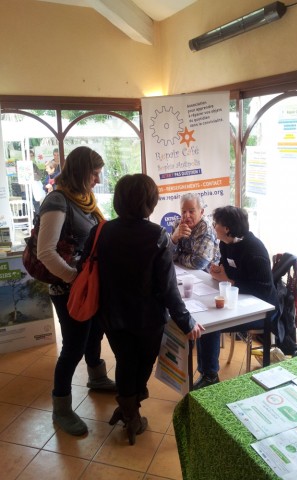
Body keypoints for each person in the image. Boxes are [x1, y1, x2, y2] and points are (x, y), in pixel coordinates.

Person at [81, 173, 204, 445]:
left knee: (125, 360)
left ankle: (129, 408)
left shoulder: (101, 231)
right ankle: (130, 411)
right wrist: (186, 322)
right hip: (147, 318)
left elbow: (84, 266)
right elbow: (168, 288)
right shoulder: (156, 236)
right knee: (142, 364)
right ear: (149, 202)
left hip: (111, 314)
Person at [37, 146, 116, 436]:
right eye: (94, 174)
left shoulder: (85, 200)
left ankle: (97, 378)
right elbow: (45, 252)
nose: (97, 180)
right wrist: (74, 279)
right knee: (73, 346)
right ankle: (61, 407)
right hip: (67, 287)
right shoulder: (57, 201)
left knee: (94, 332)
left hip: (86, 283)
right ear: (82, 172)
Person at [193, 206, 281, 390]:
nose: (213, 225)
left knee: (209, 325)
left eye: (216, 223)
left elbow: (262, 288)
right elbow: (228, 268)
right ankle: (207, 373)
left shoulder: (254, 250)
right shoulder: (225, 243)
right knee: (203, 321)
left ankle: (209, 376)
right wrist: (220, 271)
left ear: (226, 228)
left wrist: (229, 280)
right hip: (238, 300)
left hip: (262, 310)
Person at [170, 193, 219, 271]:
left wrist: (179, 257)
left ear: (201, 212)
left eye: (191, 211)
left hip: (206, 275)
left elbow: (199, 262)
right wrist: (174, 238)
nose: (187, 215)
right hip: (184, 271)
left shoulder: (206, 227)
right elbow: (169, 257)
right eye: (183, 211)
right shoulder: (177, 224)